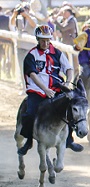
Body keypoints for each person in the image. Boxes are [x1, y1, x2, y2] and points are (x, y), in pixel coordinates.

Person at [17, 25, 77, 155]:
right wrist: (45, 89)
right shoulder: (31, 55)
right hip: (37, 91)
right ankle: (28, 142)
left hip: (56, 87)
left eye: (48, 40)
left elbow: (69, 68)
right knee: (30, 113)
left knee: (71, 107)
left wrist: (68, 82)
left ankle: (69, 139)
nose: (46, 43)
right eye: (43, 40)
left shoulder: (57, 53)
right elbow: (32, 75)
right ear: (37, 39)